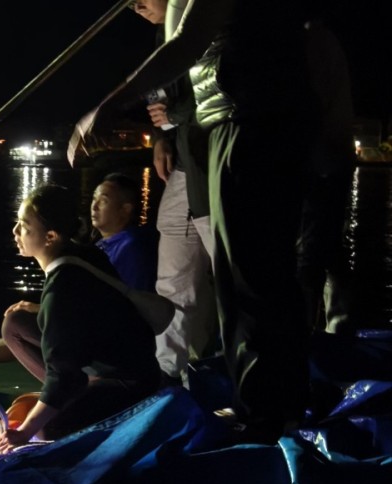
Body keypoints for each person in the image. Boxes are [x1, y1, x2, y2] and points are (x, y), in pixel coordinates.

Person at [69, 0, 318, 443]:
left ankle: (270, 413)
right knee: (240, 277)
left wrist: (111, 102)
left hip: (250, 123)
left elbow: (189, 40)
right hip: (229, 123)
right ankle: (262, 404)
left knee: (251, 276)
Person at [0, 183, 161, 450]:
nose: (15, 231)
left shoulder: (62, 289)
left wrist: (24, 432)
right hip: (103, 360)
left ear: (51, 237)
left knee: (45, 429)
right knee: (16, 324)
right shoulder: (82, 254)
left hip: (127, 381)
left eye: (24, 225)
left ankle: (68, 403)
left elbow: (64, 375)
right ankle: (66, 397)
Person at [132, 0, 217, 388]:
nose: (136, 6)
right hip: (186, 161)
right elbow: (159, 97)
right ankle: (172, 374)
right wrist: (164, 135)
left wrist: (176, 118)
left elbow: (222, 92)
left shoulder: (211, 22)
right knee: (174, 275)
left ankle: (244, 376)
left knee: (234, 271)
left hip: (217, 162)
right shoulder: (161, 35)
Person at [297, 17, 356, 335]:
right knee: (327, 247)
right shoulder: (321, 38)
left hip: (318, 164)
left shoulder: (309, 42)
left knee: (310, 254)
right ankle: (339, 328)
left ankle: (303, 336)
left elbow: (309, 105)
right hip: (330, 160)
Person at [89, 172, 158, 293]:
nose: (94, 206)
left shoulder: (132, 248)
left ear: (125, 209)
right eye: (94, 198)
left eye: (103, 201)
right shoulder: (103, 244)